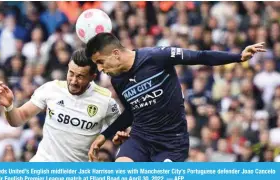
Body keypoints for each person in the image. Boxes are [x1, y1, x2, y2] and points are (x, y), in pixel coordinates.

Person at [85, 32, 266, 162]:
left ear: (116, 54)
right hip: (140, 138)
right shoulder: (117, 79)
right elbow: (131, 112)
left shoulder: (156, 56)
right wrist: (104, 137)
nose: (100, 69)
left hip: (171, 141)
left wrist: (238, 57)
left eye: (101, 62)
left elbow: (199, 56)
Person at [0, 49, 121, 162]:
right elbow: (18, 119)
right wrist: (9, 106)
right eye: (71, 73)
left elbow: (122, 132)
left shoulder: (105, 100)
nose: (73, 81)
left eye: (80, 76)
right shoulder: (51, 89)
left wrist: (118, 136)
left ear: (92, 77)